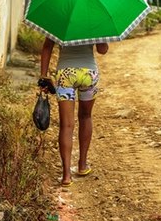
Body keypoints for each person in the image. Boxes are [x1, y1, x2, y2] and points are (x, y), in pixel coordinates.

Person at [39, 38, 109, 187]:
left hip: (65, 74)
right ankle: (82, 165)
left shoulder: (60, 18)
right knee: (85, 116)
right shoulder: (94, 21)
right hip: (89, 74)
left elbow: (47, 47)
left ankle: (66, 175)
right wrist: (102, 36)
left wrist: (44, 76)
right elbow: (102, 50)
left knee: (66, 125)